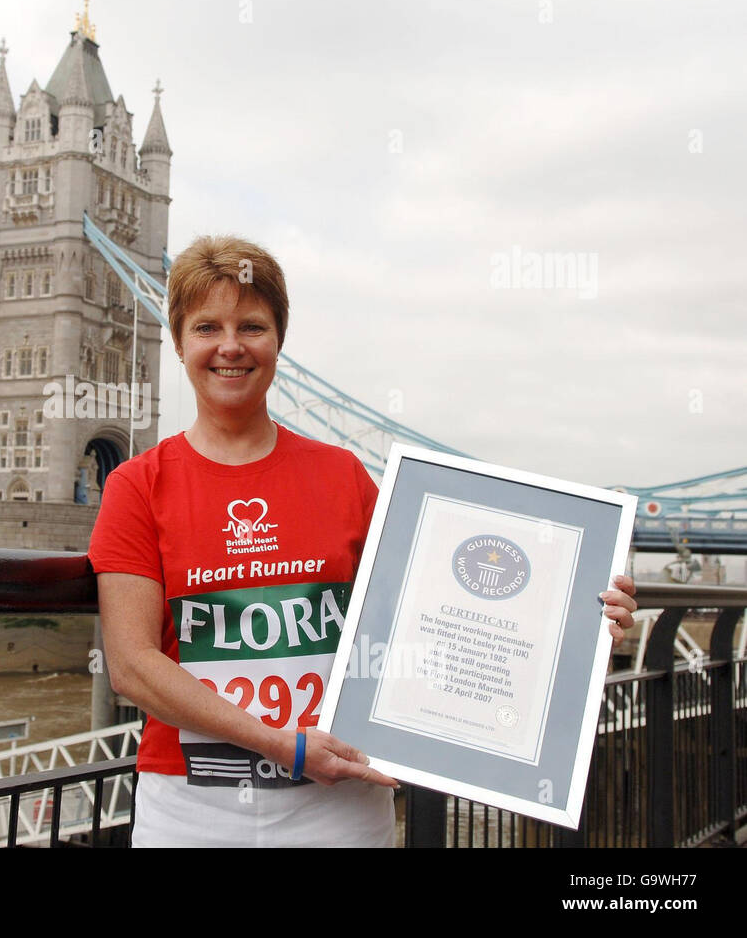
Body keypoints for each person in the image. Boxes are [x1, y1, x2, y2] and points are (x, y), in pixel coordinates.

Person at [87, 234, 638, 847]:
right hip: (192, 808)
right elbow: (133, 667)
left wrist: (579, 630)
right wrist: (284, 746)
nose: (231, 347)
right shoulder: (137, 486)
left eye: (253, 326)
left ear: (278, 341)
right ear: (180, 342)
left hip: (338, 805)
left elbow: (435, 616)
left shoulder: (344, 475)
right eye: (206, 327)